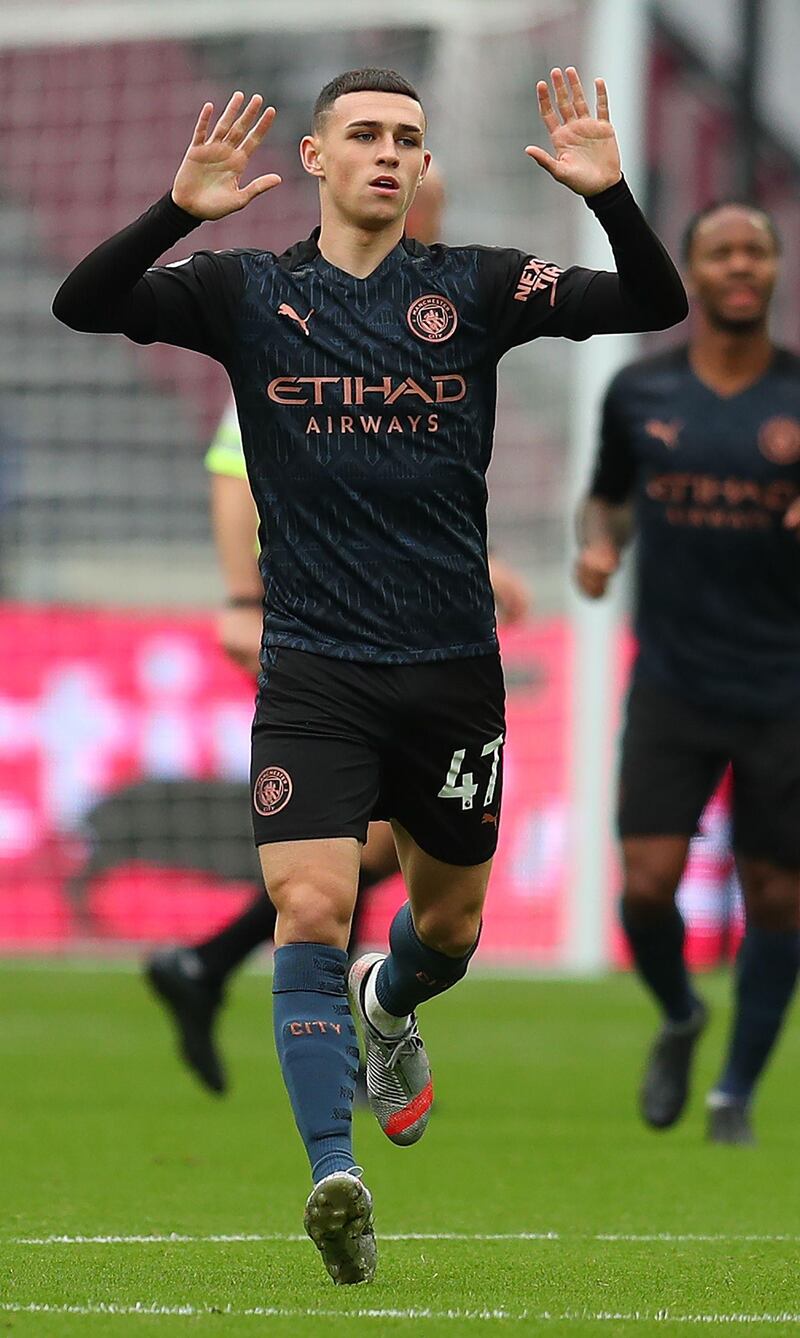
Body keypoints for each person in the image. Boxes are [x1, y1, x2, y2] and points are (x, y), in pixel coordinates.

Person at [54, 65, 686, 1285]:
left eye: (409, 138)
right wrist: (178, 211)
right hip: (314, 671)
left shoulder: (479, 287)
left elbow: (647, 300)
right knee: (306, 905)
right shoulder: (246, 293)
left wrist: (610, 197)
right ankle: (331, 1171)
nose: (391, 155)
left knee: (446, 929)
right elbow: (87, 304)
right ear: (314, 157)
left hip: (451, 673)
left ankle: (388, 1005)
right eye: (366, 136)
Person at [145, 165, 531, 1098]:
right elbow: (237, 469)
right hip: (316, 623)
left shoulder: (429, 310)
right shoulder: (301, 318)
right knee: (342, 854)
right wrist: (244, 599)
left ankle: (217, 969)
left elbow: (406, 496)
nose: (415, 206)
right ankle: (343, 1027)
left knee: (372, 847)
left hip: (401, 626)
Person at [576, 200, 800, 1147]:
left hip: (785, 689)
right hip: (672, 681)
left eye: (757, 249)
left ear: (777, 269)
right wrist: (597, 551)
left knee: (781, 896)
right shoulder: (640, 393)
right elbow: (608, 500)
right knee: (644, 886)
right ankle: (680, 1014)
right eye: (721, 252)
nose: (741, 265)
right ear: (696, 274)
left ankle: (734, 1093)